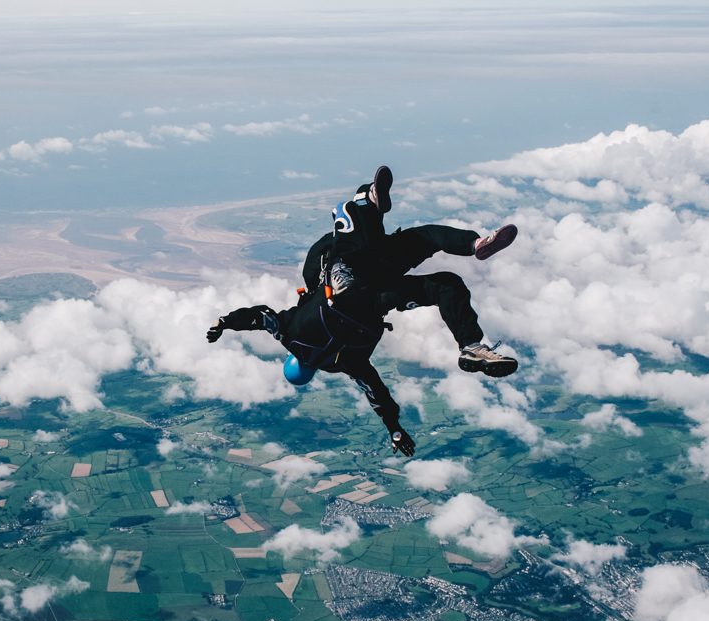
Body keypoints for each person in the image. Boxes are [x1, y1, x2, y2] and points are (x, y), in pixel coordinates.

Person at [302, 165, 519, 377]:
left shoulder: (335, 351)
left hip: (381, 289)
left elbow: (368, 376)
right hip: (367, 278)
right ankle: (368, 197)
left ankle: (471, 347)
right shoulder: (311, 333)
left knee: (446, 282)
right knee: (350, 214)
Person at [206, 283, 417, 457]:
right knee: (314, 272)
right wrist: (225, 322)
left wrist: (394, 428)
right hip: (340, 293)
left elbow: (376, 392)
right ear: (291, 359)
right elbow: (259, 316)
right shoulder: (288, 336)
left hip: (374, 305)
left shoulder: (339, 364)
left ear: (313, 372)